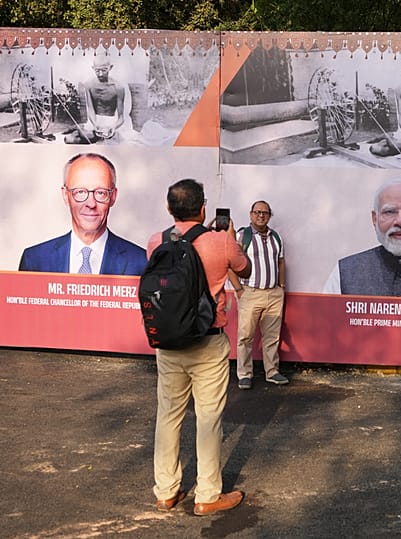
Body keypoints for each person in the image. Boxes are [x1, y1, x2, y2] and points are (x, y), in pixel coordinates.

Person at [148, 179, 252, 516]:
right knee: (208, 418)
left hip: (168, 343)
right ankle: (207, 495)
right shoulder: (221, 242)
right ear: (204, 207)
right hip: (207, 342)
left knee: (168, 416)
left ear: (169, 208)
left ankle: (166, 491)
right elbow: (244, 268)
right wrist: (229, 236)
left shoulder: (156, 242)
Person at [18, 152, 146, 275]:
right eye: (80, 192)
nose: (91, 204)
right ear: (65, 195)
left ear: (113, 196)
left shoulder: (142, 263)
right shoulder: (35, 261)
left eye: (100, 192)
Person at [227, 201, 288, 390]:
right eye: (257, 212)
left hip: (273, 294)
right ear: (251, 214)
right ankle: (244, 374)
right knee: (245, 336)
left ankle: (272, 372)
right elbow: (229, 263)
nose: (261, 216)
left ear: (269, 216)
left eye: (265, 213)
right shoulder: (241, 236)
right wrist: (238, 289)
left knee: (272, 337)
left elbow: (281, 262)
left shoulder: (276, 237)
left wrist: (281, 286)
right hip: (250, 293)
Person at [65, 56, 127, 144]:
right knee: (70, 140)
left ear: (110, 67)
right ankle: (80, 131)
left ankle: (80, 131)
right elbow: (90, 109)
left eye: (104, 70)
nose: (100, 74)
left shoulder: (118, 87)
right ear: (93, 68)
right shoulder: (88, 85)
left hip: (111, 123)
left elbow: (121, 118)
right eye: (97, 71)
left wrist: (113, 127)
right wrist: (95, 124)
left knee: (109, 142)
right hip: (94, 121)